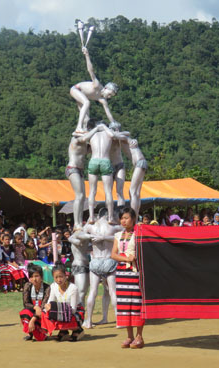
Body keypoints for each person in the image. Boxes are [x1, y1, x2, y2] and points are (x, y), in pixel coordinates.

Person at [111, 207, 145, 348]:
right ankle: (129, 336)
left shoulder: (140, 233)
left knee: (136, 303)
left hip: (136, 271)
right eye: (122, 218)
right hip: (122, 272)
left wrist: (134, 258)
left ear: (133, 218)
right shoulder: (118, 235)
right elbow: (113, 254)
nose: (124, 221)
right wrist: (126, 259)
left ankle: (139, 337)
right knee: (125, 304)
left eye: (126, 218)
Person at [70, 47, 118, 132]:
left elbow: (108, 113)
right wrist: (87, 55)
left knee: (87, 119)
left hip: (82, 96)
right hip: (76, 90)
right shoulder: (97, 85)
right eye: (109, 94)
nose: (109, 97)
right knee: (87, 102)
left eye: (111, 96)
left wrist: (114, 124)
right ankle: (78, 127)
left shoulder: (102, 100)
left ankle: (84, 131)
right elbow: (90, 70)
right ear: (106, 88)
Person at [67, 120, 103, 230]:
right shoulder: (77, 138)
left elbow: (93, 148)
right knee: (80, 196)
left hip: (80, 171)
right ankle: (76, 223)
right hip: (72, 169)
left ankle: (79, 222)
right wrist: (96, 129)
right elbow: (84, 138)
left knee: (82, 197)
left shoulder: (85, 145)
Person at [42, 263, 85, 341]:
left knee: (61, 314)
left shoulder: (73, 288)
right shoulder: (53, 286)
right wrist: (47, 309)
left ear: (66, 275)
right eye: (56, 277)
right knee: (45, 314)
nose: (59, 280)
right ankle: (63, 330)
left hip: (75, 313)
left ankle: (77, 329)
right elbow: (49, 302)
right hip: (63, 311)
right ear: (53, 277)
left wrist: (57, 309)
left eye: (61, 276)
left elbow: (73, 310)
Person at [87, 120, 116, 224]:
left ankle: (91, 217)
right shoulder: (107, 133)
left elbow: (85, 138)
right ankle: (110, 217)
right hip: (105, 161)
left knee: (92, 190)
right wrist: (105, 127)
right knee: (108, 191)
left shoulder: (92, 134)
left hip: (93, 160)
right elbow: (112, 135)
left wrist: (96, 128)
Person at [20, 264, 50, 341]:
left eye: (36, 276)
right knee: (24, 312)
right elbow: (26, 303)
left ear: (41, 277)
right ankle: (29, 333)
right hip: (32, 312)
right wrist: (35, 307)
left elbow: (43, 307)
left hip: (42, 314)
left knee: (41, 338)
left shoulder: (47, 288)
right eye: (31, 277)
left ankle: (41, 332)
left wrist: (33, 320)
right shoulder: (27, 286)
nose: (34, 279)